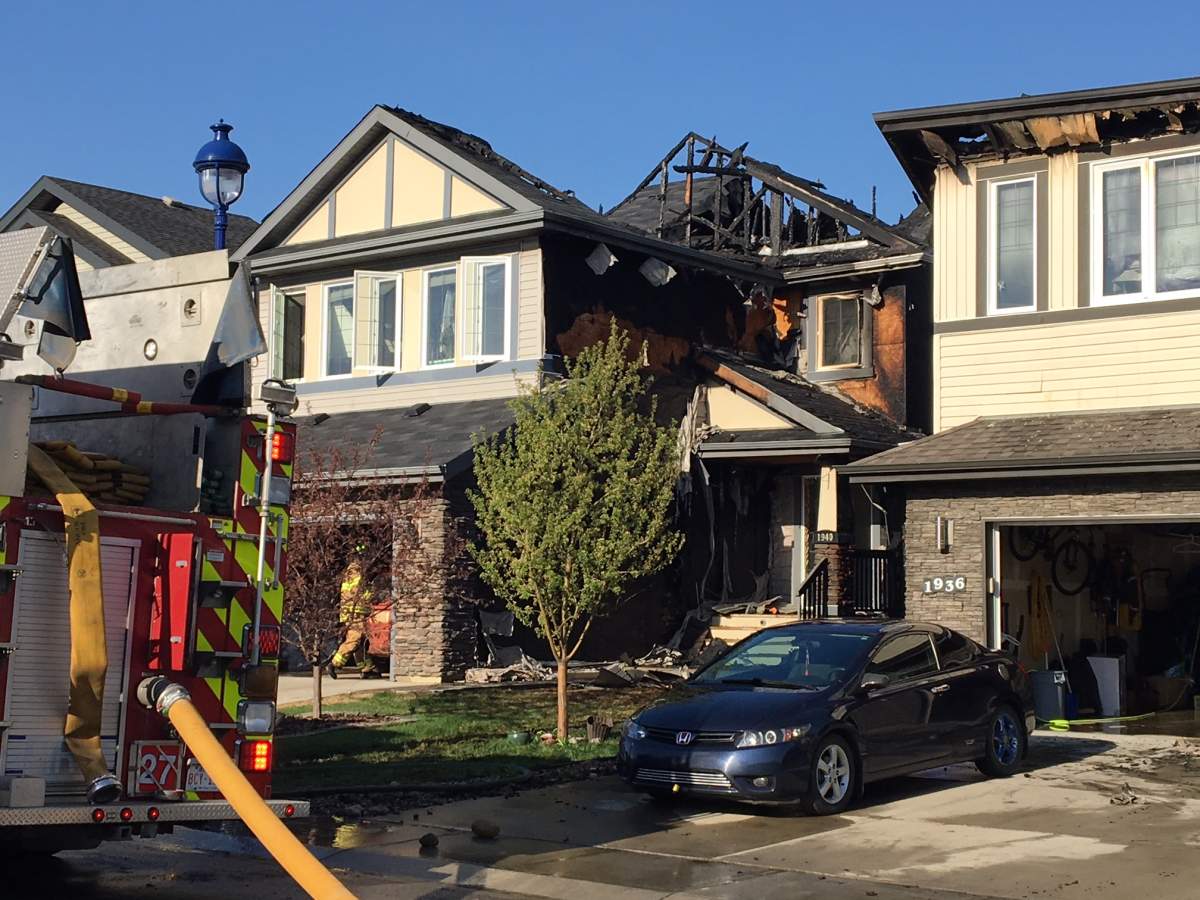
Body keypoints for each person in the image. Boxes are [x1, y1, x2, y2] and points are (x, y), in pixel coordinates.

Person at [328, 559, 380, 678]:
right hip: (356, 614)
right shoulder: (360, 579)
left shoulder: (349, 578)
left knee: (361, 642)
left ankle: (368, 668)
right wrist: (372, 593)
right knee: (354, 641)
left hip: (350, 614)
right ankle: (334, 664)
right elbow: (363, 597)